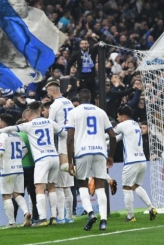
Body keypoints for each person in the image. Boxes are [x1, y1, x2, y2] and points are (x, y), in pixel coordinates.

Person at [0, 101, 67, 226]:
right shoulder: (50, 122)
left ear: (28, 116)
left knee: (39, 188)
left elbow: (11, 128)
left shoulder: (29, 125)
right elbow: (63, 134)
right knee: (51, 187)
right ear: (39, 112)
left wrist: (0, 132)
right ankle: (54, 217)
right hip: (54, 156)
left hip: (42, 159)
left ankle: (42, 218)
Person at [65, 89, 116, 231]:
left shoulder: (73, 112)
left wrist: (70, 161)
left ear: (79, 99)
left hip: (83, 152)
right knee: (100, 186)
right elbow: (112, 136)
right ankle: (104, 220)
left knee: (82, 184)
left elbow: (69, 138)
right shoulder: (101, 112)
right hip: (100, 151)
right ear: (92, 98)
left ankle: (91, 213)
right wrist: (110, 155)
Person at [114, 106, 157, 222]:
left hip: (131, 162)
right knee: (135, 185)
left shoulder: (123, 124)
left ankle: (130, 216)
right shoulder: (135, 125)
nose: (117, 119)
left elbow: (110, 134)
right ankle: (151, 207)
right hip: (142, 161)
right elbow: (118, 138)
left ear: (123, 116)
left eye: (118, 116)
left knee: (126, 188)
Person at [43, 82, 75, 224]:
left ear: (51, 91)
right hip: (73, 142)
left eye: (47, 92)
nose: (47, 95)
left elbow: (49, 125)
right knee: (68, 184)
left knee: (60, 185)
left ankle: (61, 216)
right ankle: (70, 216)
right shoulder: (69, 102)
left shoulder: (55, 105)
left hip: (62, 145)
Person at [0, 113, 31, 228]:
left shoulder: (2, 135)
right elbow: (25, 150)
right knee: (17, 194)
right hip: (19, 169)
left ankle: (11, 223)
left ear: (3, 123)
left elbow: (0, 153)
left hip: (8, 170)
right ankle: (26, 212)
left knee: (6, 195)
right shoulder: (17, 135)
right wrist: (17, 160)